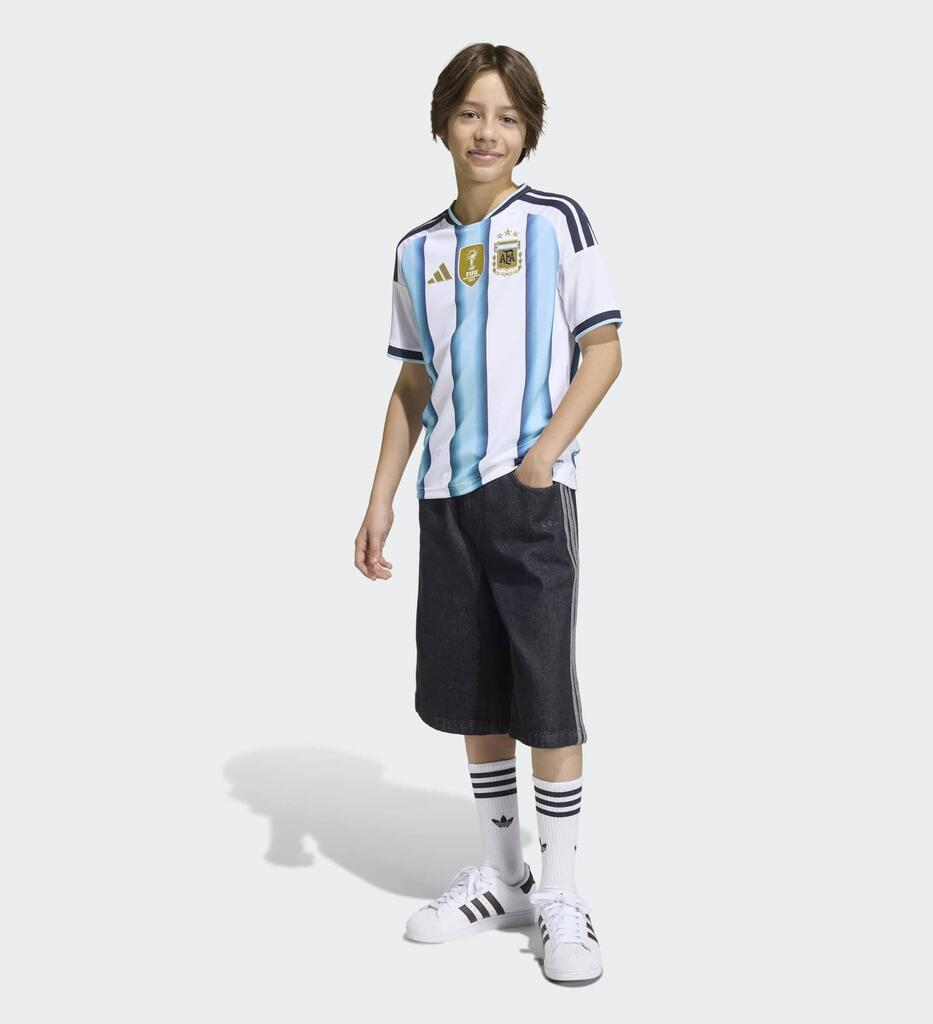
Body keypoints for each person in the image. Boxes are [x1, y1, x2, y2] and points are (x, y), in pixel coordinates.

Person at [355, 42, 623, 984]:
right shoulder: (415, 249)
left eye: (507, 117)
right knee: (473, 685)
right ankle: (502, 873)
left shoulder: (556, 221)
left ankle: (562, 891)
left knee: (544, 689)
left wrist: (543, 458)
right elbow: (412, 382)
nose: (487, 132)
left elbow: (604, 350)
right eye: (471, 112)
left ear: (528, 132)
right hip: (445, 499)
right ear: (443, 122)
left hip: (530, 496)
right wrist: (381, 498)